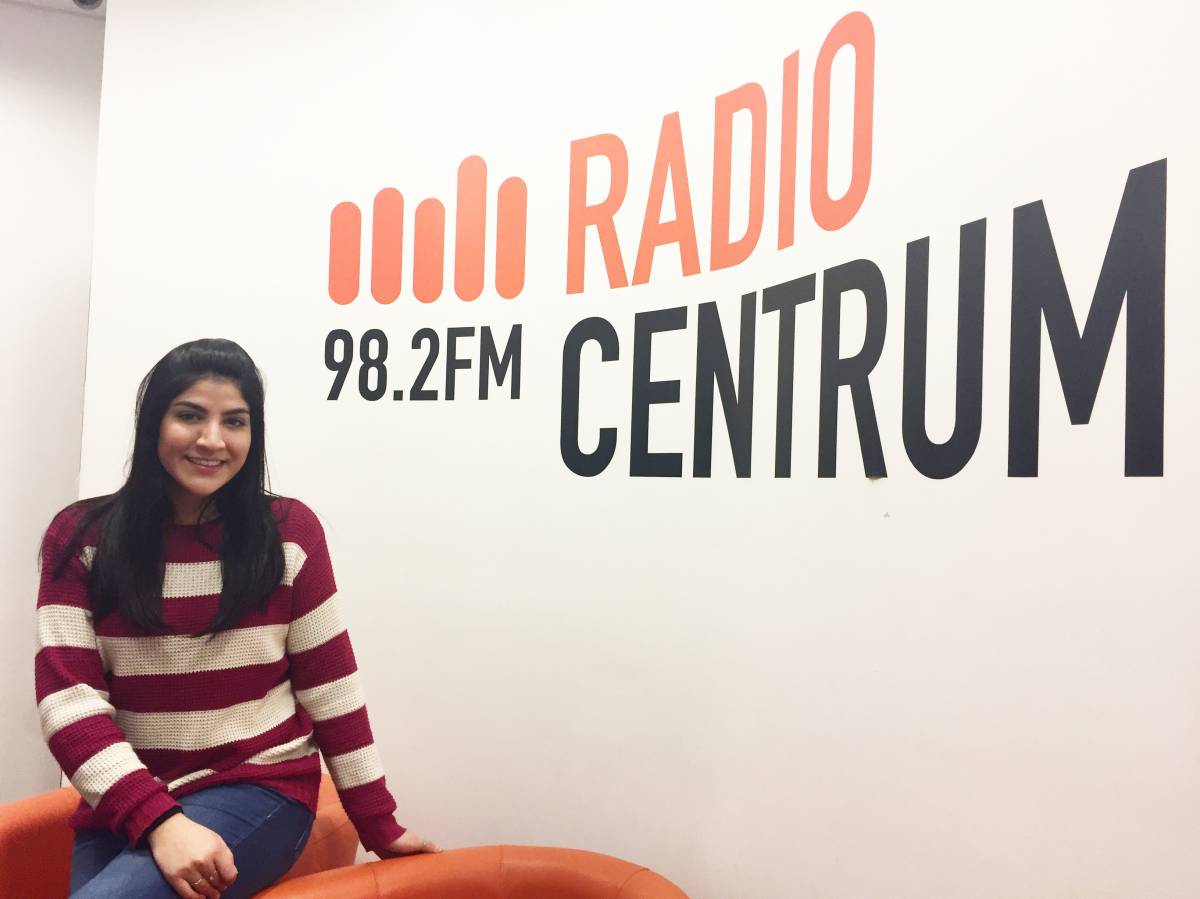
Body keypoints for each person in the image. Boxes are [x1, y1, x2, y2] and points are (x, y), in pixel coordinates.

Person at [35, 338, 439, 898]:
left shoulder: (289, 533)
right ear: (153, 424)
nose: (212, 439)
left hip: (258, 789)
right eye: (189, 415)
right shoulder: (82, 538)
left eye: (234, 421)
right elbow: (69, 705)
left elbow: (332, 692)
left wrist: (379, 824)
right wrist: (159, 820)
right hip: (127, 801)